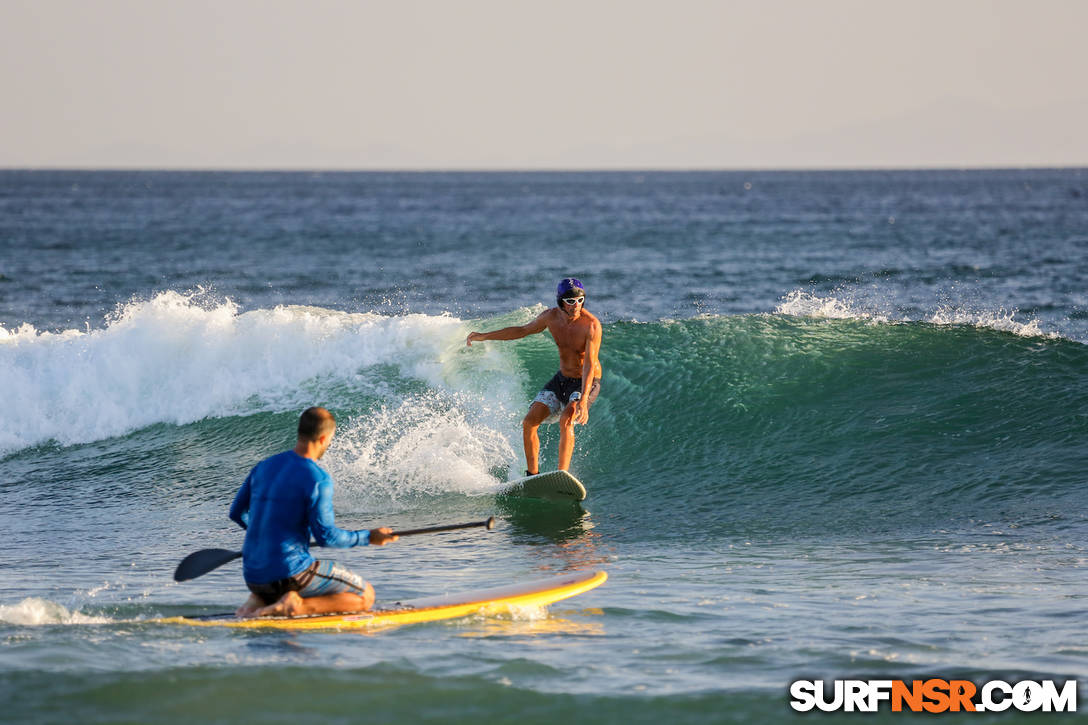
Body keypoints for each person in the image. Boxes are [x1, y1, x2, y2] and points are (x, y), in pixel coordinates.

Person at [229, 406, 397, 618]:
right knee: (366, 595)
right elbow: (326, 537)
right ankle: (295, 605)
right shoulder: (317, 478)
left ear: (300, 432)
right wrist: (368, 537)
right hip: (290, 574)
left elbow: (236, 513)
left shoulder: (263, 467)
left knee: (278, 579)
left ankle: (255, 603)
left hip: (253, 574)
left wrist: (266, 538)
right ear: (323, 438)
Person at [466, 278, 602, 475]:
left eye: (580, 300)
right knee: (529, 422)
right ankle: (532, 475)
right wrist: (485, 335)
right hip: (562, 379)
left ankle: (561, 474)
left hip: (585, 382)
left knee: (566, 420)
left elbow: (589, 364)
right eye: (571, 301)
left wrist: (582, 401)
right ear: (561, 301)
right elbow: (522, 331)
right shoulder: (550, 317)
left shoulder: (591, 325)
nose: (576, 305)